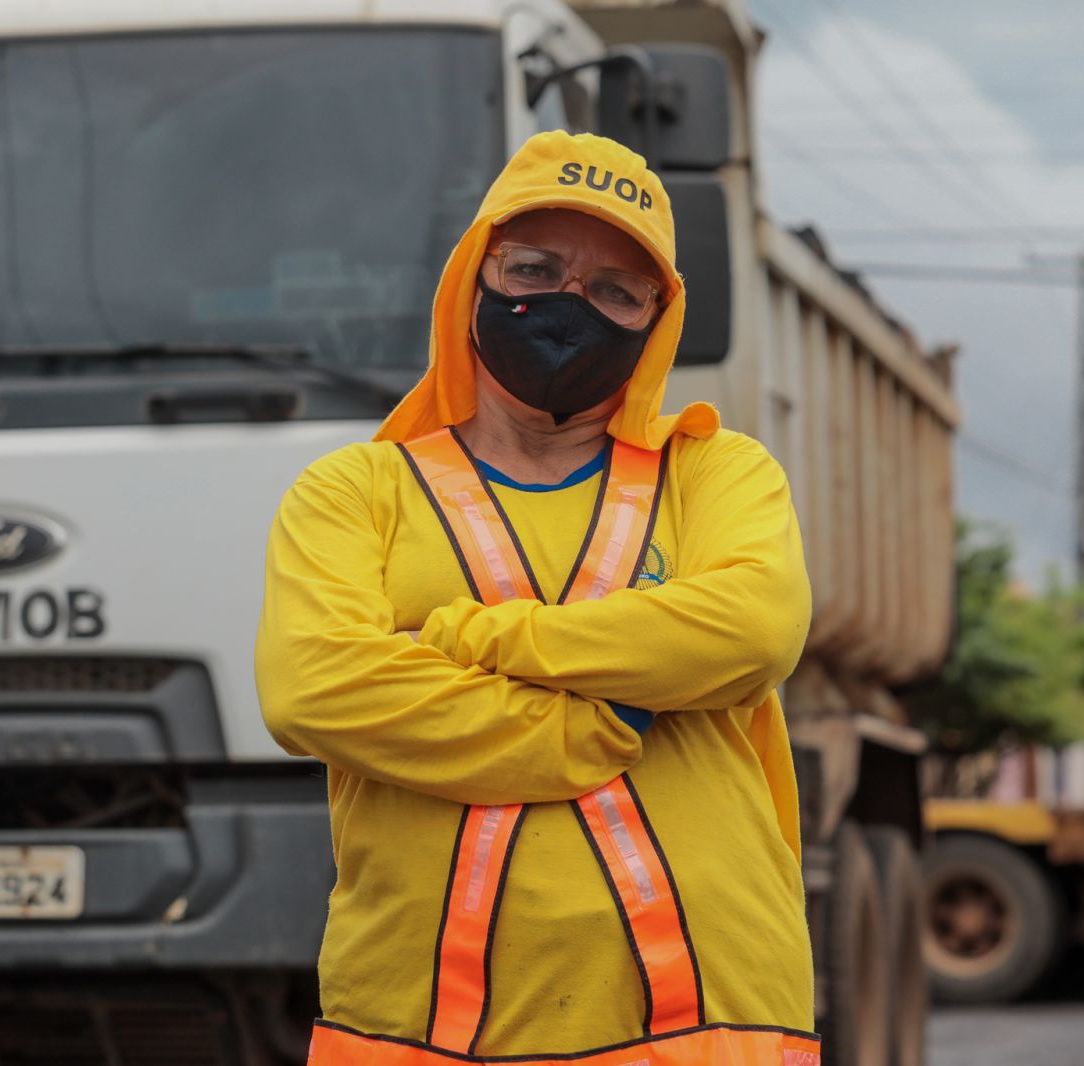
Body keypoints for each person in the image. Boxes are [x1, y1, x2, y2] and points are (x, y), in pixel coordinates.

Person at [255, 131, 820, 1064]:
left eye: (616, 290)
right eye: (534, 268)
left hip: (706, 1029)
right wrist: (581, 728)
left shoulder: (717, 472)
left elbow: (753, 628)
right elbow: (313, 687)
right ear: (473, 280)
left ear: (657, 318)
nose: (568, 305)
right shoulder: (354, 491)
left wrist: (481, 638)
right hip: (415, 1033)